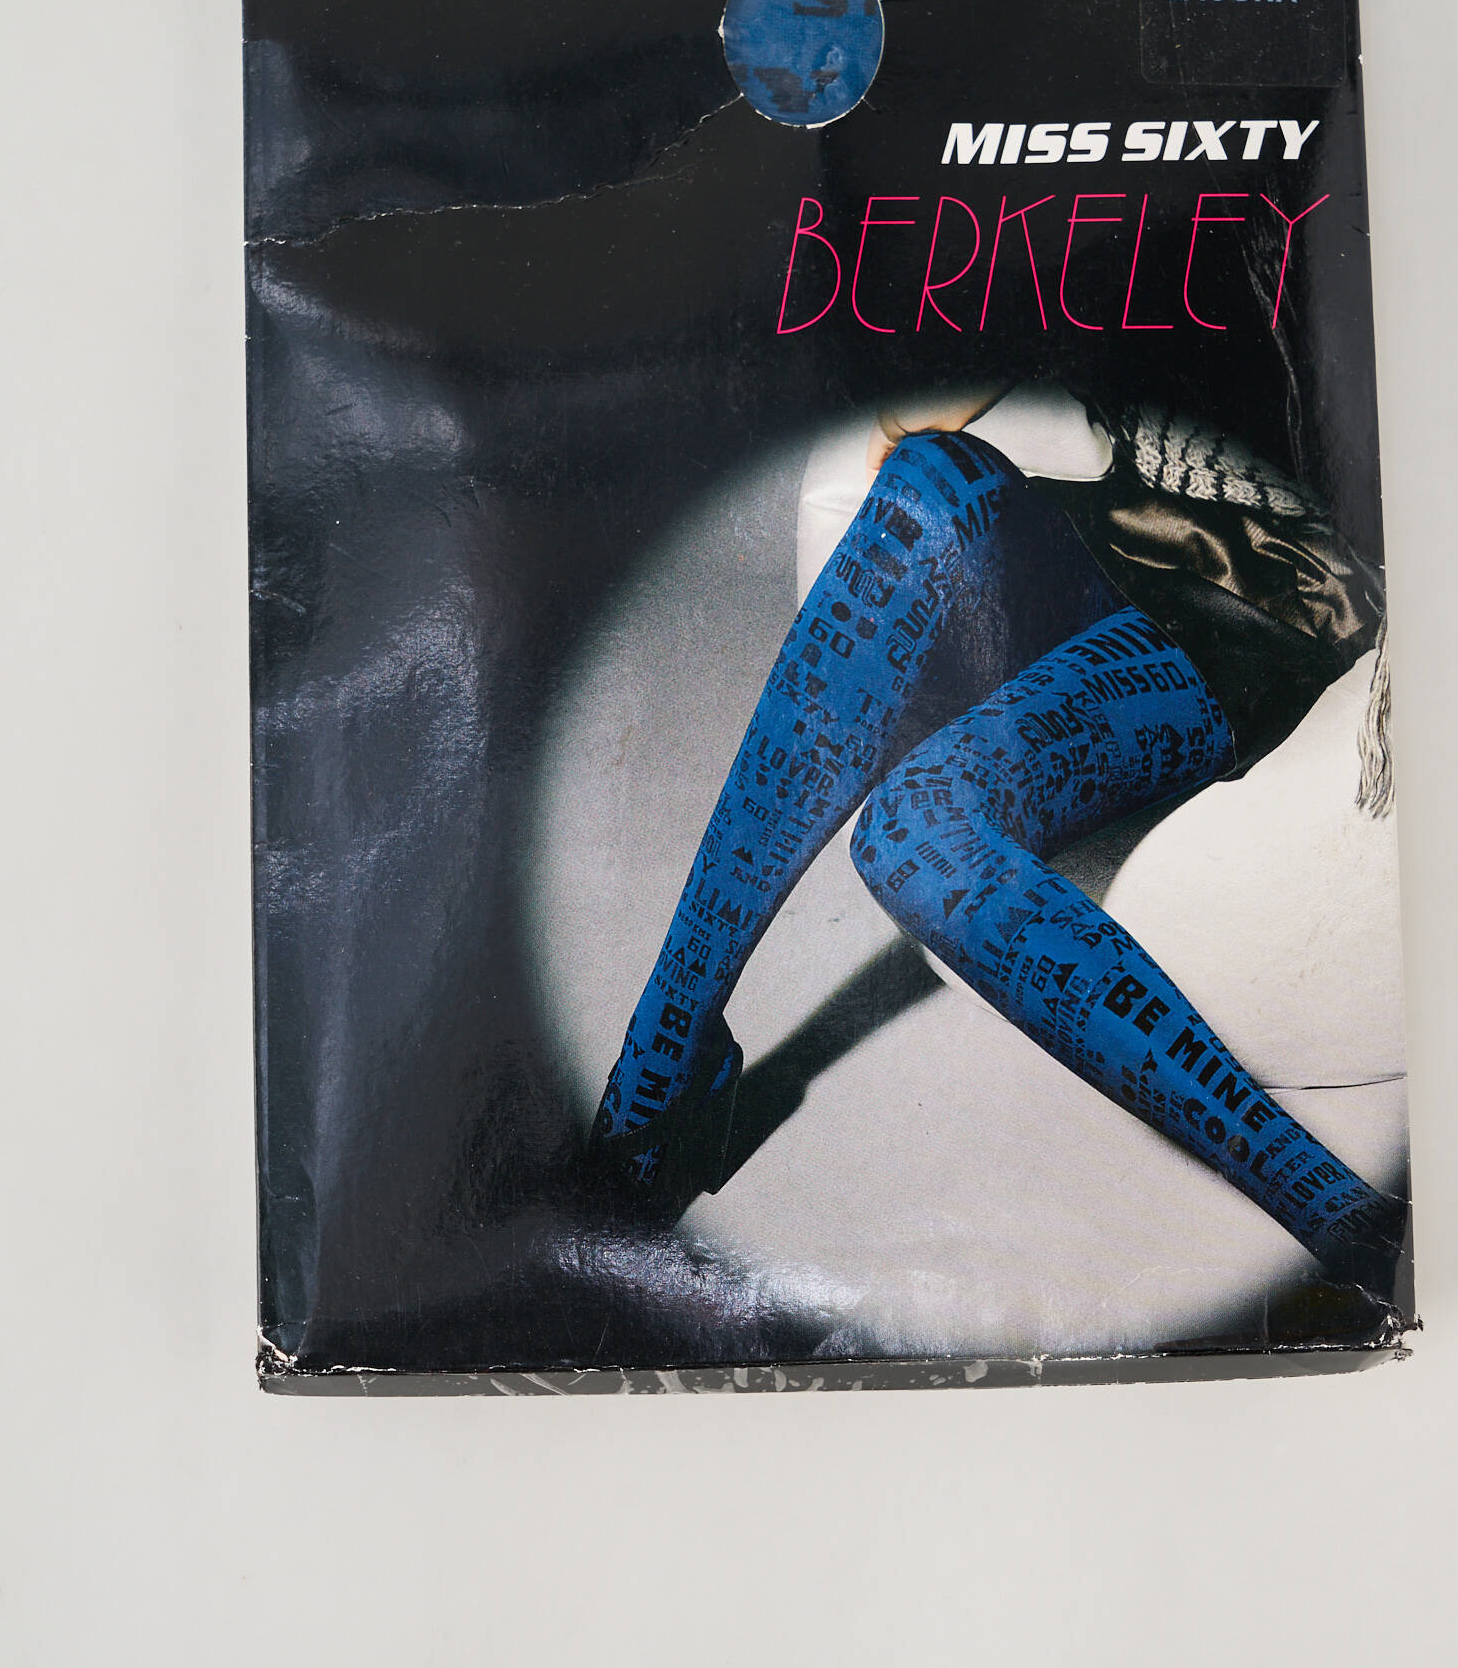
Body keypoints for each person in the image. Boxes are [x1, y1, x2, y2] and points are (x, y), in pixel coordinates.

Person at [589, 383, 1405, 1302]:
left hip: (1238, 614)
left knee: (908, 832)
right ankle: (666, 1045)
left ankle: (1337, 1210)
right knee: (930, 474)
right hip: (1094, 547)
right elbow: (923, 415)